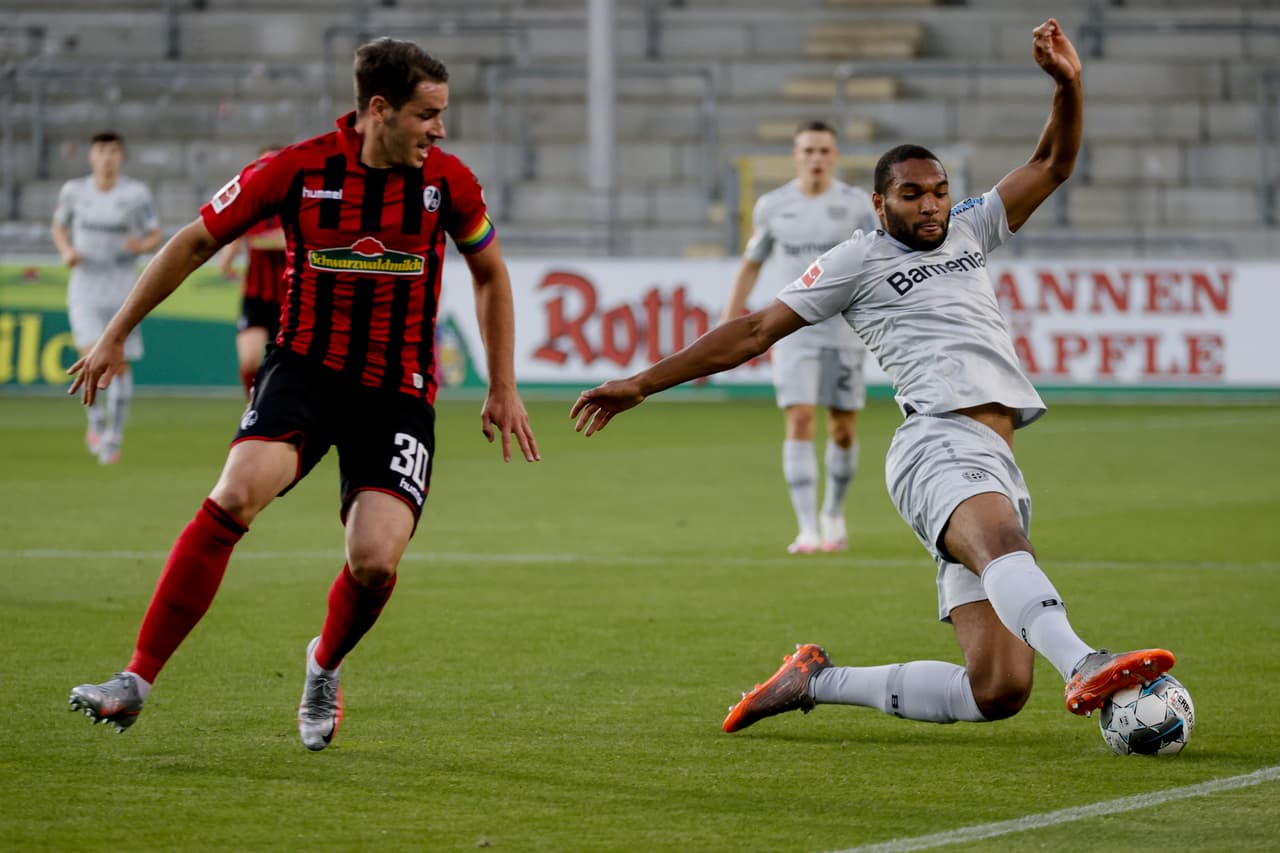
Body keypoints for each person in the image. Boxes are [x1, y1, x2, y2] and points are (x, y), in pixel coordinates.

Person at [571, 20, 1174, 735]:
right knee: (1006, 549)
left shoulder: (970, 228)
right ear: (879, 202)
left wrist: (1068, 84)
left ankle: (814, 679)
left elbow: (1052, 163)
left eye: (940, 191)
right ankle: (1082, 661)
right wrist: (641, 382)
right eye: (913, 193)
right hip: (939, 441)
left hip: (995, 455)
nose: (931, 205)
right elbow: (757, 329)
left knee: (999, 688)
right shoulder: (856, 260)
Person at [66, 38, 541, 751]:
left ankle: (324, 662)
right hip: (306, 370)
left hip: (397, 391)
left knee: (375, 558)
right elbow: (194, 242)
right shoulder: (296, 169)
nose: (440, 129)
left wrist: (502, 384)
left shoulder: (448, 183)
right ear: (379, 110)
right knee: (235, 492)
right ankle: (134, 679)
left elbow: (491, 274)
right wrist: (113, 333)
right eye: (427, 114)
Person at [719, 121, 878, 554]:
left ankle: (834, 512)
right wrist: (729, 318)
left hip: (844, 330)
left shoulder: (856, 205)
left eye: (824, 151)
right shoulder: (773, 206)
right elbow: (752, 262)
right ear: (795, 155)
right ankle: (806, 526)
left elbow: (879, 258)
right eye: (808, 151)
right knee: (800, 418)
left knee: (843, 427)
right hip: (792, 331)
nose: (816, 159)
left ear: (836, 155)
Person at [50, 131, 162, 464]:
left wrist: (141, 246)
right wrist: (67, 250)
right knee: (90, 357)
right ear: (91, 156)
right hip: (84, 287)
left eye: (113, 151)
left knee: (119, 364)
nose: (107, 156)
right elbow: (58, 226)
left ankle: (115, 433)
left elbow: (154, 233)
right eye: (101, 150)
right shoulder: (73, 192)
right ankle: (95, 421)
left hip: (124, 289)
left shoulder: (136, 193)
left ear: (121, 156)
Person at [216, 145, 287, 397]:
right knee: (249, 360)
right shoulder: (250, 202)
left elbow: (282, 240)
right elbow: (237, 236)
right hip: (256, 296)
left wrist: (274, 239)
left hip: (291, 298)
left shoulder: (297, 203)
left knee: (287, 368)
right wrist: (226, 263)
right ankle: (252, 407)